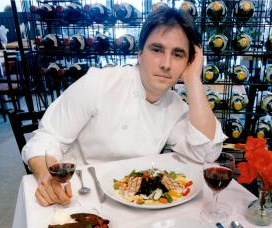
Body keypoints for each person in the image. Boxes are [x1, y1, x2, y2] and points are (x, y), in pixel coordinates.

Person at [22, 7, 226, 206]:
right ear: (140, 54)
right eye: (157, 50)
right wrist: (46, 177)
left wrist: (193, 79)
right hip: (80, 195)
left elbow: (206, 153)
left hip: (135, 199)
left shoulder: (174, 106)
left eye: (178, 55)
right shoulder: (99, 83)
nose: (166, 64)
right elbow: (47, 139)